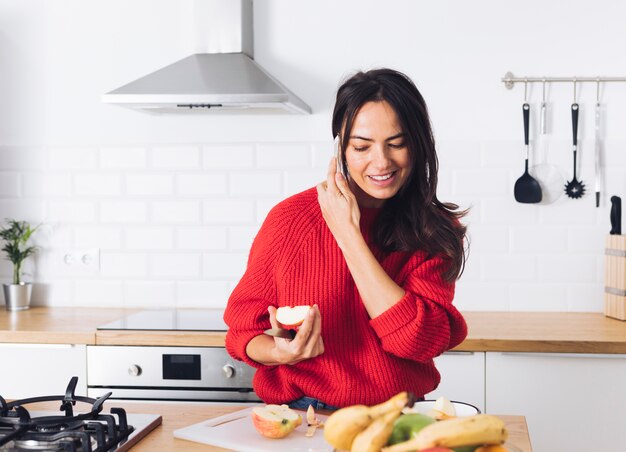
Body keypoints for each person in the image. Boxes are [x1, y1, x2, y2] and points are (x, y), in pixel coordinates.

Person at [223, 68, 468, 410]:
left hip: (400, 418)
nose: (381, 162)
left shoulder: (433, 230)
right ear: (341, 145)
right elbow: (243, 332)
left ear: (419, 143)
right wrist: (280, 352)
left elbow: (415, 340)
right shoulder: (291, 219)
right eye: (361, 146)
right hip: (305, 417)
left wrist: (348, 234)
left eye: (397, 144)